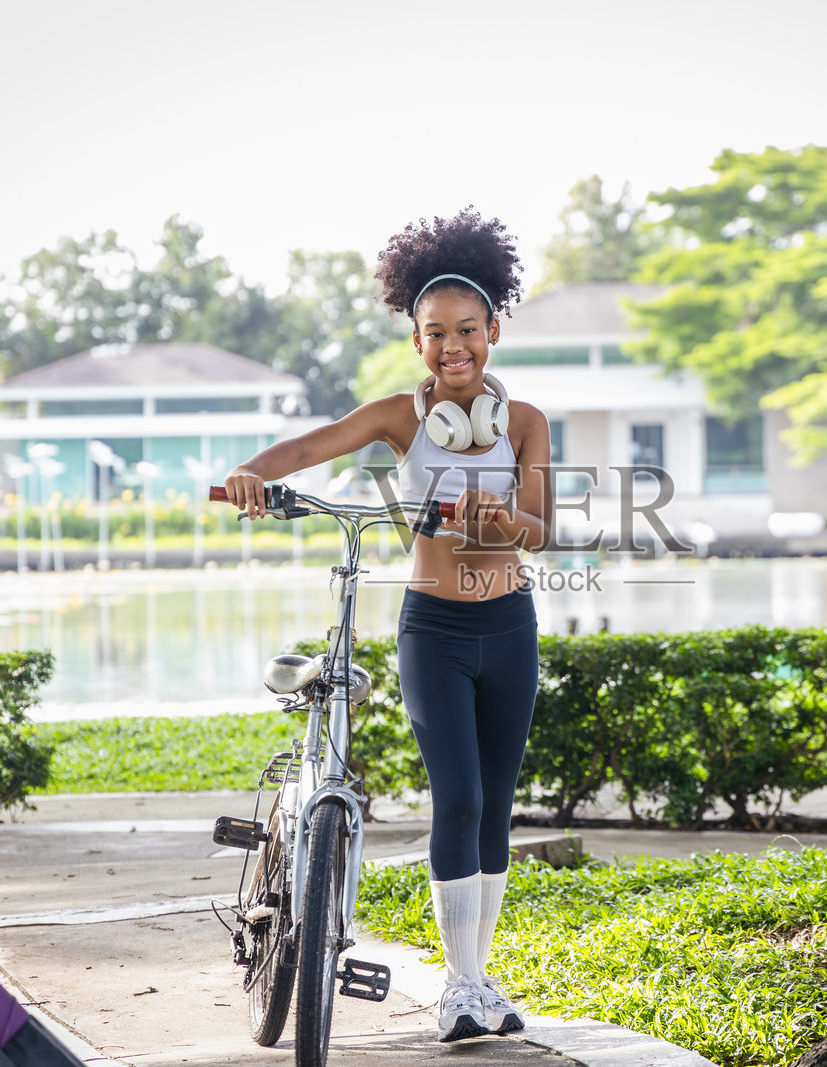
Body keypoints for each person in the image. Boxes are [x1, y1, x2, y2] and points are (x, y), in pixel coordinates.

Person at [222, 208, 552, 1043]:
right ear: (416, 339)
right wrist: (251, 473)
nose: (454, 348)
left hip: (510, 628)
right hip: (434, 631)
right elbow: (308, 446)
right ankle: (461, 987)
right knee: (460, 796)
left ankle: (477, 977)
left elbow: (543, 527)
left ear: (494, 330)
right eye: (437, 333)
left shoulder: (524, 424)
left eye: (468, 330)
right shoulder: (400, 418)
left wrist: (502, 520)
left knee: (497, 808)